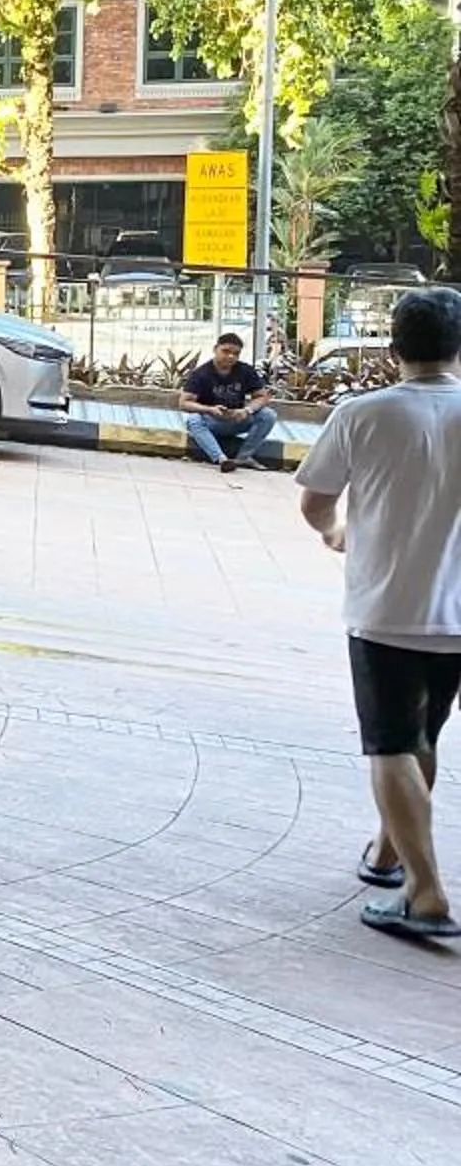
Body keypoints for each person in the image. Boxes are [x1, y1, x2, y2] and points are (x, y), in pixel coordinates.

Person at [297, 284, 461, 943]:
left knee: (390, 744)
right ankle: (390, 853)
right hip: (456, 612)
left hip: (386, 606)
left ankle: (425, 892)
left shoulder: (363, 413)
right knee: (422, 737)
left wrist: (337, 532)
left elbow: (315, 502)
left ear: (393, 349)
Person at [180, 333, 279, 470]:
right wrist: (209, 410)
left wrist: (246, 410)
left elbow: (261, 396)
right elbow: (184, 403)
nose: (231, 356)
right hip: (212, 421)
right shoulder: (200, 373)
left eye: (236, 353)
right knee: (193, 420)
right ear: (215, 349)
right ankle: (221, 459)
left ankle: (243, 458)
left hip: (236, 418)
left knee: (268, 415)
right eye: (226, 351)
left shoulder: (245, 371)